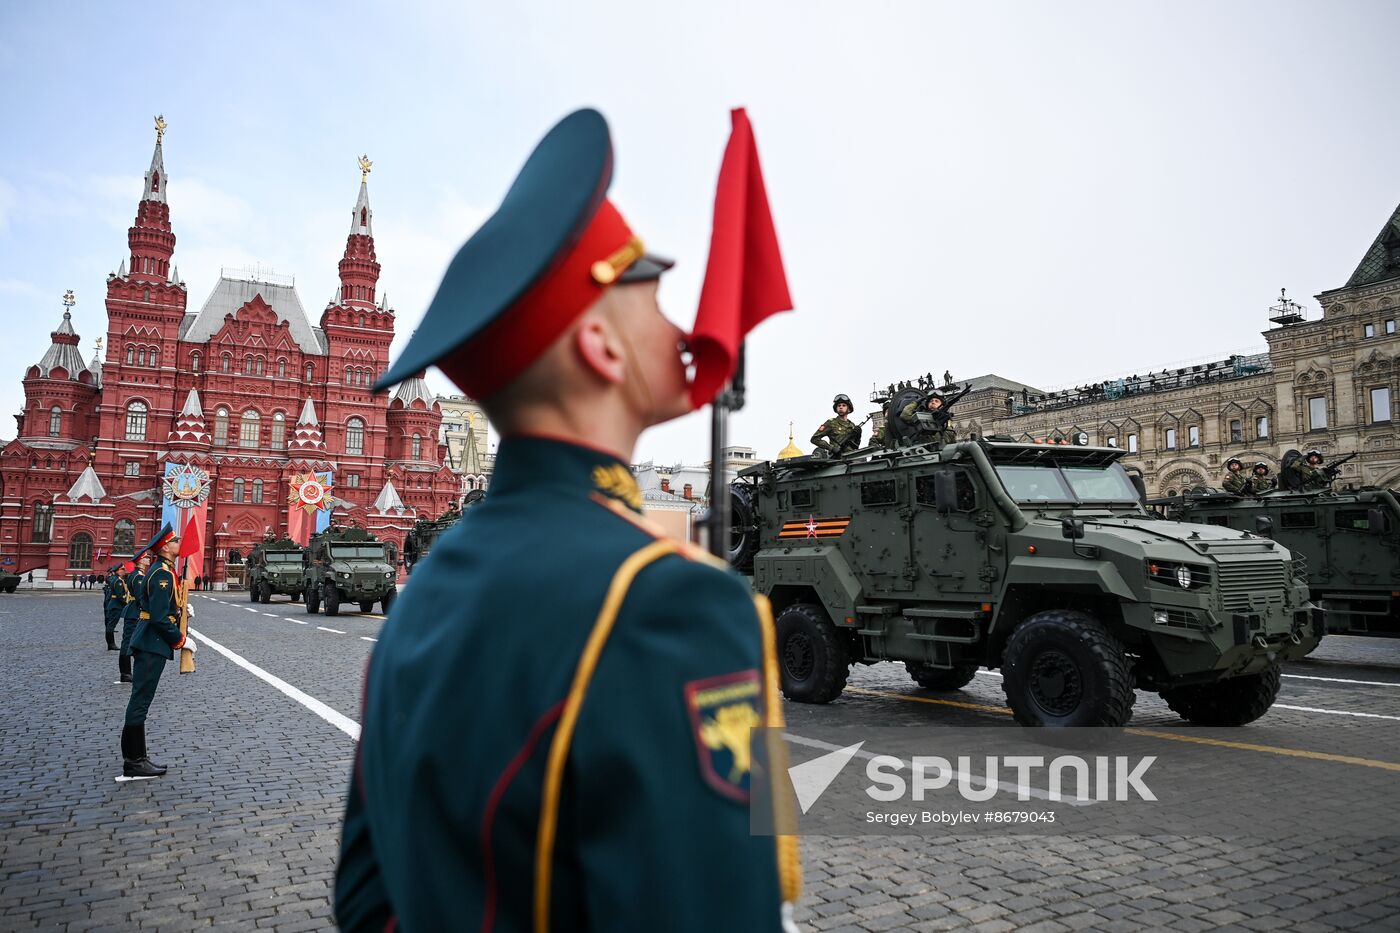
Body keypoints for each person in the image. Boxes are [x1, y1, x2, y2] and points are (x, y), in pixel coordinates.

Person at [335, 109, 796, 933]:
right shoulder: (670, 605)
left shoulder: (423, 595)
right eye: (652, 294)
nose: (682, 325)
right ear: (602, 348)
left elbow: (366, 898)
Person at [119, 524, 195, 778]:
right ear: (165, 547)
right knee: (140, 700)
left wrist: (179, 609)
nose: (179, 544)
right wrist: (180, 640)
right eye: (176, 541)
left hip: (149, 642)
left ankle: (138, 757)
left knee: (141, 699)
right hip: (152, 643)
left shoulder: (163, 571)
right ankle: (134, 761)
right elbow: (159, 618)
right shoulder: (162, 574)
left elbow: (149, 603)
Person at [117, 553, 151, 684]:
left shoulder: (137, 575)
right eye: (146, 558)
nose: (148, 559)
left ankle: (128, 672)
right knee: (128, 642)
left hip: (133, 610)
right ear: (141, 561)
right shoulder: (138, 577)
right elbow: (140, 597)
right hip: (134, 612)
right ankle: (125, 673)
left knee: (130, 641)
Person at [102, 566, 122, 650]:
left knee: (110, 625)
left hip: (110, 603)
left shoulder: (112, 579)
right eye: (122, 569)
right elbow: (118, 595)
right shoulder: (116, 580)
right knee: (110, 625)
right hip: (114, 604)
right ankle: (111, 644)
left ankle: (110, 644)